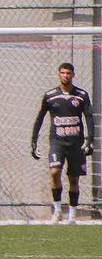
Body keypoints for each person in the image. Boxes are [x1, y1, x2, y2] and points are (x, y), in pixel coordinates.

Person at [31, 62, 93, 223]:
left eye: (68, 73)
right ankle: (57, 210)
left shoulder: (82, 95)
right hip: (57, 142)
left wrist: (90, 140)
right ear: (59, 74)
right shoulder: (50, 96)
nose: (65, 76)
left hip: (76, 144)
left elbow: (89, 117)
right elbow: (40, 117)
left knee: (74, 179)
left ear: (73, 75)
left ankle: (72, 214)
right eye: (63, 73)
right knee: (54, 172)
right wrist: (34, 140)